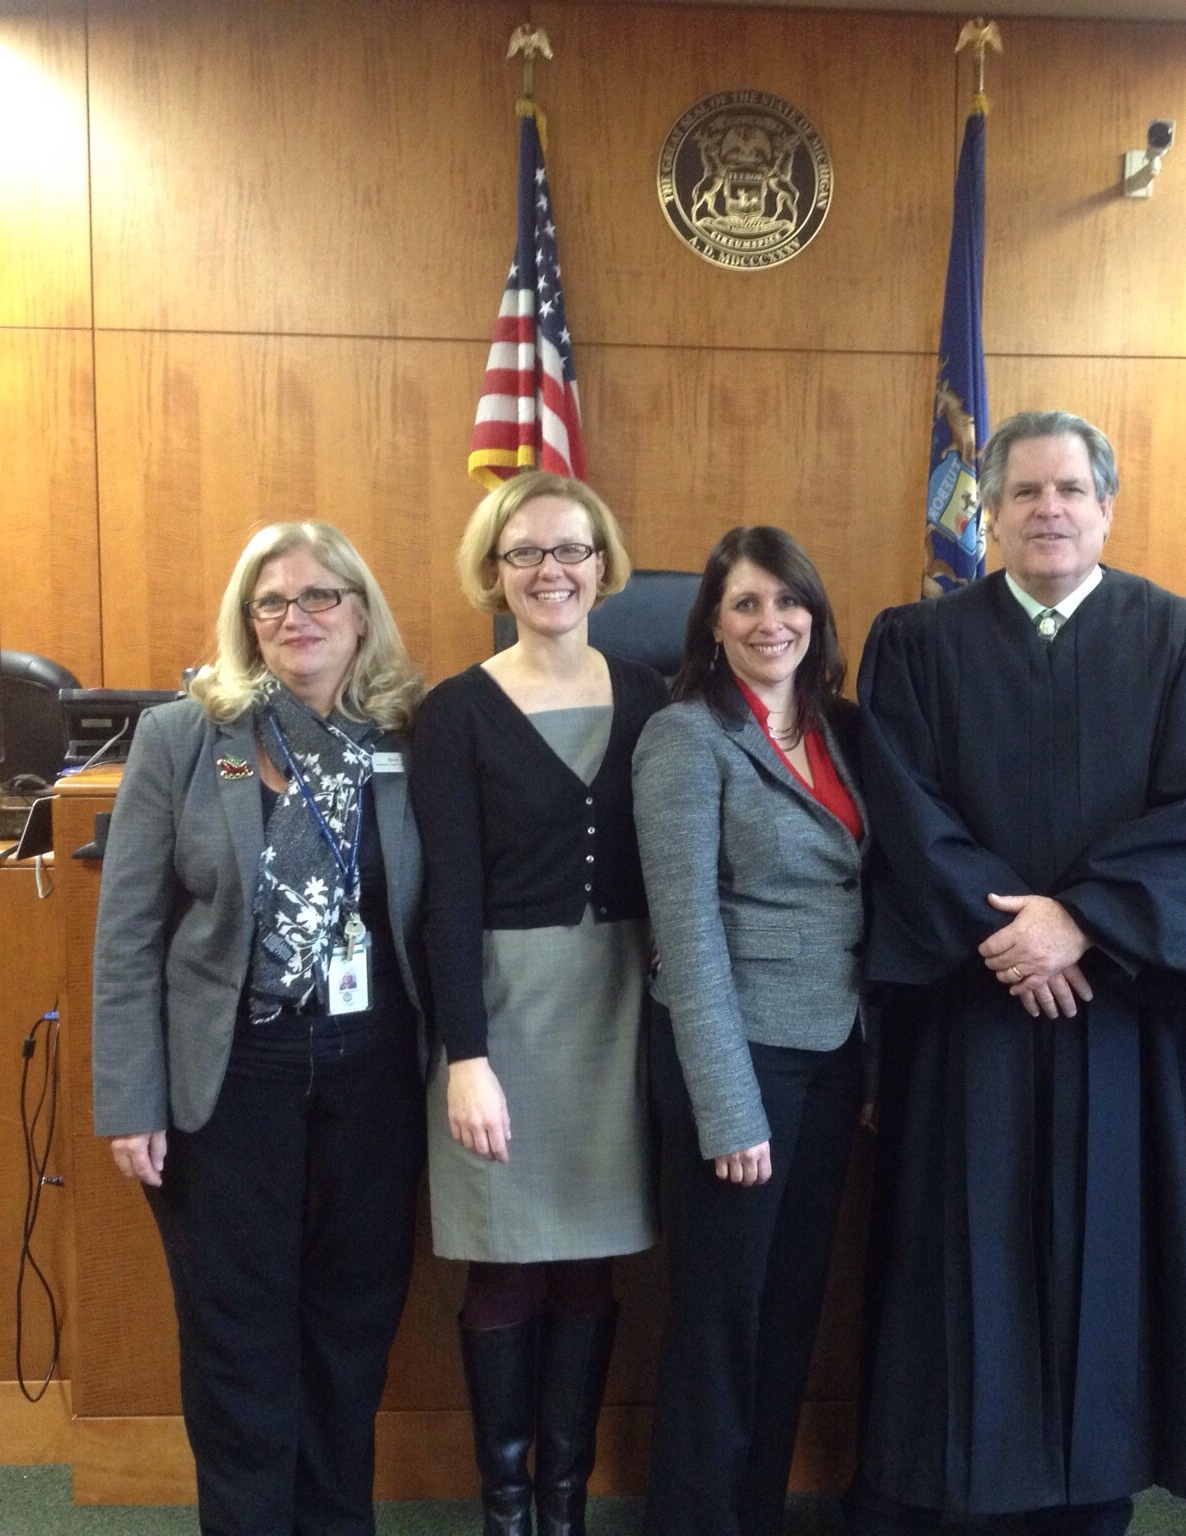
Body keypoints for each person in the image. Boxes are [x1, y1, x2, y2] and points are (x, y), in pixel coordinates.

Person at [848, 410, 1186, 1535]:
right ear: (987, 512)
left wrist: (1082, 923)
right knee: (965, 1255)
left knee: (1111, 1259)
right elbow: (903, 812)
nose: (1048, 509)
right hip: (969, 1011)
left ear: (1107, 508)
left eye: (1070, 490)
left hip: (1122, 1015)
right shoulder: (917, 645)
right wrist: (1012, 934)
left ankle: (1090, 1499)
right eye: (1025, 491)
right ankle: (959, 1491)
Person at [91, 521, 429, 1536]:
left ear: (360, 612)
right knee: (237, 1343)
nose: (296, 617)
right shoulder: (184, 738)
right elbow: (128, 935)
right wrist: (131, 1099)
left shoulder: (409, 737)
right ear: (248, 622)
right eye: (272, 601)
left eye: (320, 595)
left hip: (373, 1079)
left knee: (351, 1332)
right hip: (230, 1077)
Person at [411, 472, 668, 1536]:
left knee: (590, 1269)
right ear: (494, 571)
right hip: (503, 1017)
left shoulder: (655, 698)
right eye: (524, 552)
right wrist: (465, 1055)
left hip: (622, 1011)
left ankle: (563, 1508)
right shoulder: (453, 712)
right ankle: (507, 1515)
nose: (550, 570)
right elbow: (448, 897)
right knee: (506, 1266)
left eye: (570, 549)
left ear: (604, 566)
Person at [633, 526, 870, 1536]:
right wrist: (727, 1110)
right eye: (745, 604)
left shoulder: (838, 729)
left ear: (814, 614)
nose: (771, 621)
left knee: (789, 1309)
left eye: (788, 600)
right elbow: (684, 929)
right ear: (713, 625)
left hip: (831, 1054)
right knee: (719, 1318)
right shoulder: (685, 736)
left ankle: (754, 1515)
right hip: (736, 1059)